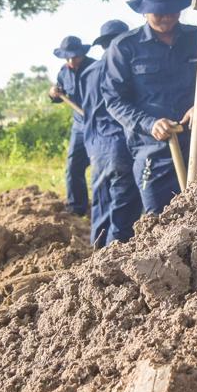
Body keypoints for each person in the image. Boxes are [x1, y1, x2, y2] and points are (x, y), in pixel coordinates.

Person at [102, 0, 197, 216]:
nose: (166, 17)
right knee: (158, 220)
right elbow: (114, 100)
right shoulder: (124, 47)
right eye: (158, 12)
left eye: (172, 10)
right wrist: (150, 124)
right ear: (144, 10)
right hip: (152, 150)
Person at [81, 19, 143, 247]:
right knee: (125, 204)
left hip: (96, 146)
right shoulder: (124, 68)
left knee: (101, 202)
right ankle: (115, 256)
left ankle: (97, 253)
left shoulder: (87, 73)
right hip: (120, 144)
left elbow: (86, 113)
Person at [49, 35, 93, 217]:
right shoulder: (63, 72)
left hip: (100, 125)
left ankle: (103, 207)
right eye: (67, 57)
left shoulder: (96, 68)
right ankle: (77, 208)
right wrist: (53, 93)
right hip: (79, 126)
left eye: (74, 57)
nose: (71, 61)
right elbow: (59, 92)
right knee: (73, 167)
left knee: (104, 169)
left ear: (82, 53)